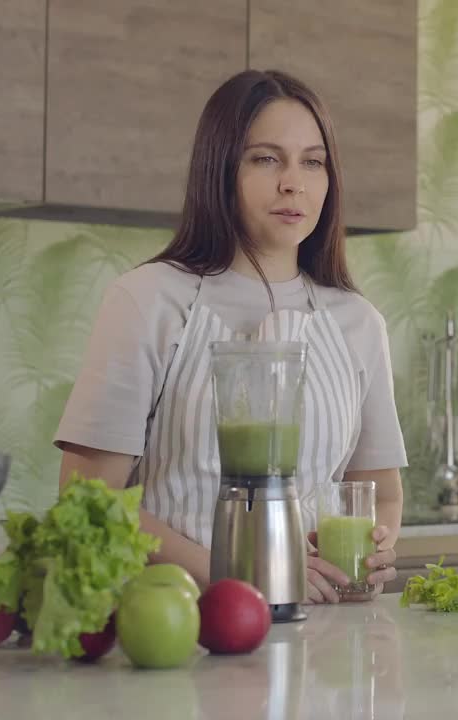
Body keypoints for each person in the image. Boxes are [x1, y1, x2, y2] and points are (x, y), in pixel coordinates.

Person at [52, 69, 407, 604]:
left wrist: (373, 550)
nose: (294, 182)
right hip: (173, 627)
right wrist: (238, 578)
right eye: (266, 158)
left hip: (322, 642)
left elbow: (379, 493)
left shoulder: (358, 322)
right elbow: (87, 497)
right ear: (219, 170)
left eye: (313, 161)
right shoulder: (147, 301)